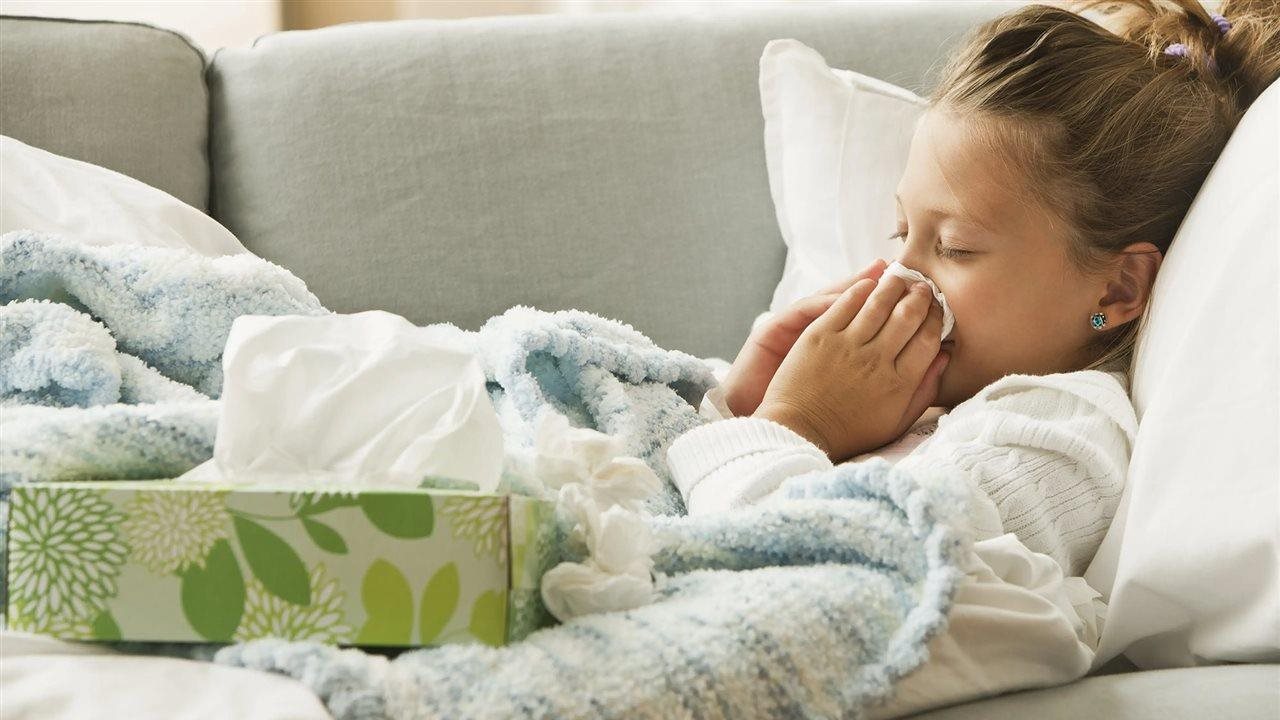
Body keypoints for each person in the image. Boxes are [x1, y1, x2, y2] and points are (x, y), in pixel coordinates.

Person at [667, 1, 1280, 716]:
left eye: (954, 247)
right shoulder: (929, 400)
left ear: (1117, 287)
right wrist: (737, 401)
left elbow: (831, 585)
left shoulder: (1056, 436)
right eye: (901, 231)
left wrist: (794, 423)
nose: (903, 274)